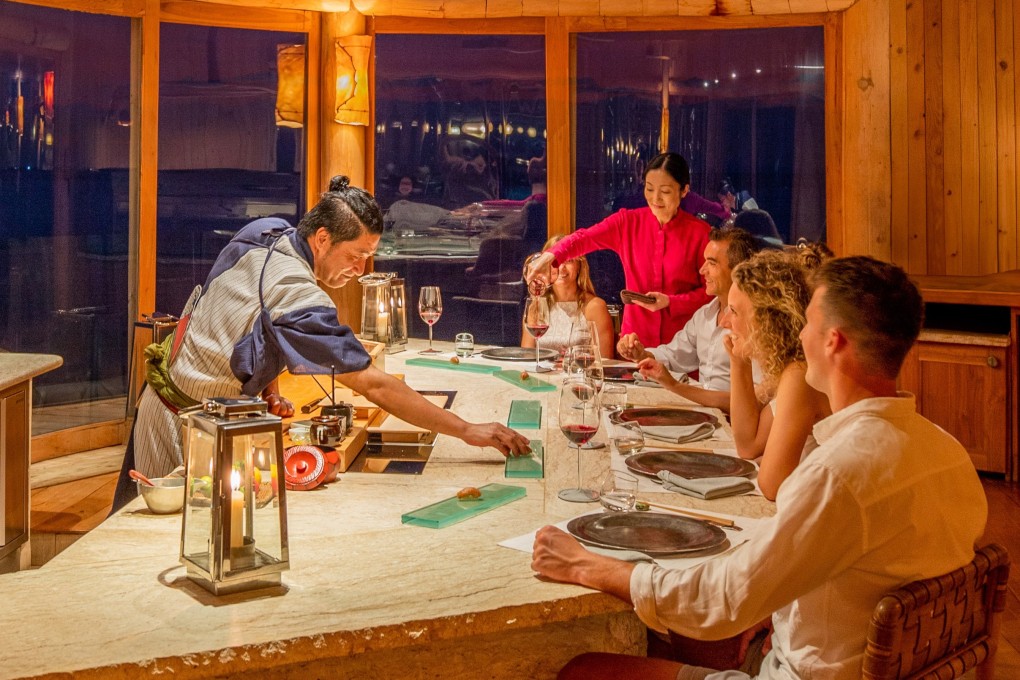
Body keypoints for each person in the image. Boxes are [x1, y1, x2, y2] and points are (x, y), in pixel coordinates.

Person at [532, 256, 988, 680]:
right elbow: (875, 570)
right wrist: (782, 609)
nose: (800, 335)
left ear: (833, 341)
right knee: (681, 634)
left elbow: (722, 599)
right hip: (855, 656)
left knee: (585, 669)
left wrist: (590, 567)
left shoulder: (837, 474)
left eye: (809, 322)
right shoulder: (949, 453)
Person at [130, 176, 530, 481]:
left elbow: (235, 304)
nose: (360, 271)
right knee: (164, 544)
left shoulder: (266, 232)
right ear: (322, 238)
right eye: (357, 256)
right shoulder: (299, 294)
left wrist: (264, 380)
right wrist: (465, 429)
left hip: (169, 404)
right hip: (182, 423)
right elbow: (373, 385)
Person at [525, 152, 711, 347]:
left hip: (685, 346)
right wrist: (550, 256)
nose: (655, 198)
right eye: (649, 188)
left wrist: (672, 302)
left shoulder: (700, 233)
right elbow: (583, 239)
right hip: (635, 345)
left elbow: (711, 293)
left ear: (684, 190)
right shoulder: (627, 223)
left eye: (665, 191)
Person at [723, 248, 831, 500]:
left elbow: (771, 485)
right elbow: (748, 445)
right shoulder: (789, 366)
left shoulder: (800, 373)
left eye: (734, 312)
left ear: (767, 319)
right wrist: (739, 363)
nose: (725, 322)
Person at [616, 227, 761, 411]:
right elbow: (673, 355)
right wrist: (641, 354)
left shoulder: (757, 325)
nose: (702, 270)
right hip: (704, 416)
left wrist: (677, 387)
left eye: (712, 263)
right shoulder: (705, 314)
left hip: (734, 423)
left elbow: (756, 401)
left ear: (739, 270)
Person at [521, 236, 613, 358]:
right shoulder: (536, 306)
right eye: (554, 262)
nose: (561, 268)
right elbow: (527, 357)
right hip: (543, 376)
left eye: (568, 261)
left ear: (579, 265)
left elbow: (604, 362)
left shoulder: (595, 307)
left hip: (578, 376)